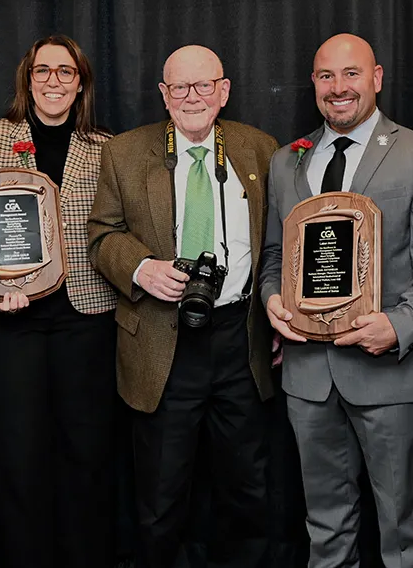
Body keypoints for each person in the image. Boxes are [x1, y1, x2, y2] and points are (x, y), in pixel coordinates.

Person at [259, 33, 413, 568]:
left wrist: (399, 325)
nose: (338, 87)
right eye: (326, 76)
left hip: (391, 372)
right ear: (313, 84)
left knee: (403, 527)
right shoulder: (286, 162)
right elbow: (274, 256)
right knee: (325, 525)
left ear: (376, 78)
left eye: (351, 74)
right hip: (309, 375)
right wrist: (272, 300)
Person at [87, 44, 277, 568]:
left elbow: (279, 242)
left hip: (239, 340)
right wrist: (141, 268)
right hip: (160, 341)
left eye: (204, 85)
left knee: (248, 490)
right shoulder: (124, 152)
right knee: (160, 497)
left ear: (224, 90)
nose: (193, 97)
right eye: (179, 87)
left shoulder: (260, 148)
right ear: (163, 94)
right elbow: (101, 235)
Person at [0, 35, 119, 567]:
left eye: (65, 71)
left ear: (81, 83)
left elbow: (117, 229)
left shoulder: (106, 146)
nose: (54, 80)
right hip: (12, 319)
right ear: (28, 80)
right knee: (19, 452)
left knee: (85, 451)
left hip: (86, 315)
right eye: (42, 70)